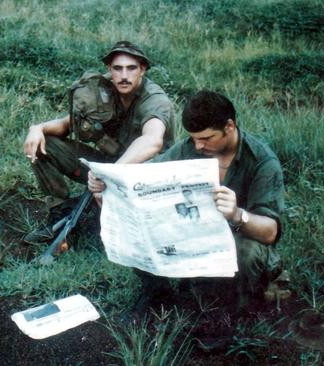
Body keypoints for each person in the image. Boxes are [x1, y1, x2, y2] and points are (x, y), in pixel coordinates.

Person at [88, 90, 285, 318]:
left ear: (229, 126)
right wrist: (108, 184)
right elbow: (147, 177)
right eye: (194, 138)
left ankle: (230, 312)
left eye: (206, 138)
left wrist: (237, 214)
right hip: (195, 234)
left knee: (247, 251)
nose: (198, 146)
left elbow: (270, 232)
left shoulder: (262, 161)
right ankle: (158, 293)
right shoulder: (188, 148)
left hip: (237, 239)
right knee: (143, 225)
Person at [23, 41, 175, 242]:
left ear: (143, 70)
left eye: (131, 68)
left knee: (101, 235)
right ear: (109, 69)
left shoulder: (154, 99)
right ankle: (59, 212)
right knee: (45, 144)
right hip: (106, 167)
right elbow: (68, 125)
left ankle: (101, 211)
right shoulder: (103, 88)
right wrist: (38, 128)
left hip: (143, 174)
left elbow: (152, 140)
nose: (124, 75)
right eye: (117, 68)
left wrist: (110, 174)